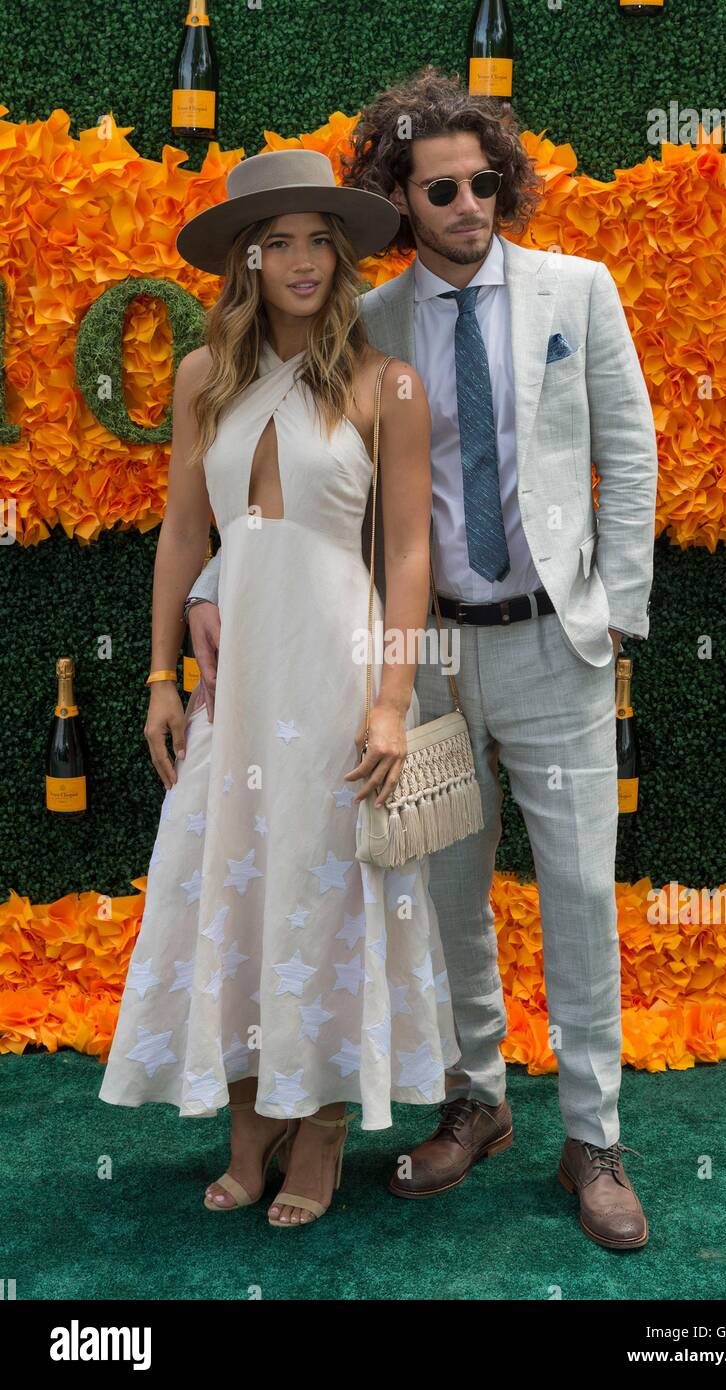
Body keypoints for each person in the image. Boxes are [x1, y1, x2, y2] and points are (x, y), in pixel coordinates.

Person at [185, 66, 659, 1251]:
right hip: (420, 649)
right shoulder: (372, 325)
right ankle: (474, 1099)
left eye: (483, 182)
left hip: (554, 642)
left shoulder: (577, 290)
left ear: (506, 184)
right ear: (397, 198)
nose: (467, 204)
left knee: (579, 894)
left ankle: (594, 1138)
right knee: (443, 896)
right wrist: (208, 584)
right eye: (439, 188)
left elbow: (629, 453)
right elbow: (284, 481)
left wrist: (610, 615)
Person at [98, 146, 464, 1229]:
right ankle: (249, 1123)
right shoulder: (201, 378)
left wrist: (391, 698)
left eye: (319, 242)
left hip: (336, 669)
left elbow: (407, 552)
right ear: (246, 261)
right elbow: (183, 536)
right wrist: (160, 678)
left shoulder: (384, 384)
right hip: (237, 684)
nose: (302, 262)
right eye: (278, 243)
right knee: (235, 880)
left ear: (342, 259)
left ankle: (322, 1125)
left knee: (323, 880)